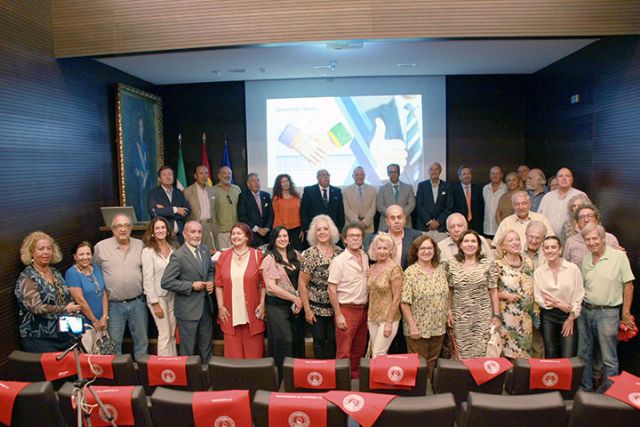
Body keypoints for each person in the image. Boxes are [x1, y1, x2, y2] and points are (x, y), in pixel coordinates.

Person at [578, 224, 634, 392]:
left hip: (608, 313)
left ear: (603, 239)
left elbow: (629, 285)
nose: (591, 242)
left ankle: (610, 394)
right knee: (583, 354)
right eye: (587, 239)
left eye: (595, 238)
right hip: (585, 311)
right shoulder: (586, 258)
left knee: (609, 358)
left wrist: (625, 314)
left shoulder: (619, 257)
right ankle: (585, 389)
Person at [15, 232, 81, 352]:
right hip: (40, 339)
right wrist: (65, 309)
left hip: (63, 335)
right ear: (31, 253)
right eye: (41, 249)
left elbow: (65, 298)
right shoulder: (27, 277)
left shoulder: (55, 272)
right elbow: (36, 307)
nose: (46, 252)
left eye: (49, 248)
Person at [94, 213, 148, 359]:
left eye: (126, 225)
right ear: (112, 229)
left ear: (131, 228)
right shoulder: (101, 247)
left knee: (142, 341)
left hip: (138, 303)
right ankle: (120, 377)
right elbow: (95, 273)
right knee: (114, 343)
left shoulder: (140, 245)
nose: (122, 229)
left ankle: (142, 375)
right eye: (118, 226)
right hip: (114, 306)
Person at [161, 220, 215, 362]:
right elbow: (166, 282)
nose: (197, 235)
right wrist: (190, 285)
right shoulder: (178, 256)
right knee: (188, 351)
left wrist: (211, 282)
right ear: (184, 235)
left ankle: (206, 380)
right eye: (193, 232)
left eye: (199, 232)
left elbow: (211, 270)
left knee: (206, 347)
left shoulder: (204, 250)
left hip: (205, 309)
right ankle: (189, 382)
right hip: (187, 311)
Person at [447, 230, 501, 359]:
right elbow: (449, 290)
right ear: (460, 245)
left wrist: (497, 315)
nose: (469, 244)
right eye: (466, 241)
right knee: (461, 354)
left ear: (478, 245)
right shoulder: (451, 264)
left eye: (473, 241)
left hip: (482, 317)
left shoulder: (488, 263)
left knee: (481, 353)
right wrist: (448, 311)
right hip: (460, 317)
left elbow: (493, 291)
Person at [215, 223, 266, 358]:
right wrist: (220, 307)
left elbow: (264, 284)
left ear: (247, 237)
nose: (235, 236)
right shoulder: (224, 256)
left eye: (239, 233)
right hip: (230, 313)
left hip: (253, 313)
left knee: (254, 356)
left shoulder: (257, 255)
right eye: (233, 234)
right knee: (233, 357)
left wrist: (262, 304)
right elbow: (218, 284)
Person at [401, 236, 448, 381]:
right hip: (418, 328)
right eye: (423, 248)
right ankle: (419, 393)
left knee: (432, 360)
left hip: (438, 326)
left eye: (429, 248)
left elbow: (448, 295)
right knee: (418, 364)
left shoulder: (441, 270)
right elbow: (404, 302)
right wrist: (412, 326)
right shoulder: (411, 272)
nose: (426, 251)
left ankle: (428, 388)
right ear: (416, 251)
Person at [260, 226, 305, 377]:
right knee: (285, 341)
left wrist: (300, 300)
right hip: (277, 307)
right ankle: (282, 377)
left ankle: (298, 377)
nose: (282, 239)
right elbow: (271, 287)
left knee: (298, 341)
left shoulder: (297, 255)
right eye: (279, 236)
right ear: (273, 239)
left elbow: (303, 279)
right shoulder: (269, 259)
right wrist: (295, 299)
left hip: (296, 306)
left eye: (285, 236)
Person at [328, 223, 369, 378]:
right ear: (345, 240)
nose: (355, 239)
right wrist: (338, 315)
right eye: (351, 236)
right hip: (346, 310)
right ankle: (341, 385)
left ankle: (356, 384)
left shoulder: (365, 257)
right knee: (344, 352)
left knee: (359, 350)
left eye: (358, 236)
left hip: (363, 310)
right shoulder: (339, 261)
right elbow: (331, 289)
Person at [299, 215, 343, 359]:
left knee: (333, 341)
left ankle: (332, 372)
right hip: (316, 309)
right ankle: (320, 374)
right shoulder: (309, 254)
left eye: (326, 229)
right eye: (319, 230)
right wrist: (307, 310)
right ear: (314, 233)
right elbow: (302, 284)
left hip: (336, 307)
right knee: (319, 341)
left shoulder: (340, 252)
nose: (322, 232)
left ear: (332, 232)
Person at [534, 236, 584, 358]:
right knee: (551, 355)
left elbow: (579, 294)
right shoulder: (539, 272)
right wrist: (559, 304)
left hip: (569, 316)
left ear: (560, 250)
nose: (550, 250)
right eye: (546, 247)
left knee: (568, 355)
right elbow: (539, 297)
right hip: (548, 317)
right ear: (543, 251)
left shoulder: (573, 269)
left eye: (553, 247)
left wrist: (571, 317)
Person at [495, 230, 536, 359]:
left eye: (517, 239)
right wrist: (505, 295)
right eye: (510, 240)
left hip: (525, 319)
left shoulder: (528, 262)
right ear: (503, 246)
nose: (515, 242)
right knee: (507, 357)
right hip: (507, 319)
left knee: (524, 358)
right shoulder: (498, 265)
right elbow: (490, 291)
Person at [142, 217, 179, 356]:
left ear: (167, 230)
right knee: (164, 334)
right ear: (152, 231)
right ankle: (163, 369)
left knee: (172, 333)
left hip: (173, 296)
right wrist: (155, 303)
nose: (160, 230)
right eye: (157, 228)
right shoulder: (148, 251)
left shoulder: (174, 248)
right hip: (158, 298)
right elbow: (148, 279)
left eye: (163, 227)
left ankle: (174, 365)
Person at [65, 241, 108, 353]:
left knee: (101, 355)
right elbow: (80, 300)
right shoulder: (71, 273)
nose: (85, 257)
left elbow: (103, 292)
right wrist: (94, 321)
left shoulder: (97, 269)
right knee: (86, 357)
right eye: (81, 254)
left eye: (88, 254)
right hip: (83, 323)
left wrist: (104, 317)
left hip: (100, 321)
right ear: (75, 256)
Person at [366, 233, 403, 357]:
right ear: (374, 249)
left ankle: (378, 377)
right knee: (374, 351)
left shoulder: (395, 269)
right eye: (379, 248)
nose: (382, 251)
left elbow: (397, 298)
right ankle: (376, 376)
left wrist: (389, 322)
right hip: (372, 317)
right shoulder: (372, 267)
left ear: (391, 250)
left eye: (385, 248)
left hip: (388, 319)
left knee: (378, 353)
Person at [147, 165, 191, 244]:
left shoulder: (178, 192)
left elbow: (188, 211)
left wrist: (165, 210)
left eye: (170, 174)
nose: (168, 177)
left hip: (180, 237)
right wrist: (176, 210)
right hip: (163, 237)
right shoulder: (154, 193)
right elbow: (154, 212)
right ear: (159, 179)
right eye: (164, 175)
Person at [537, 167, 586, 236]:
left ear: (572, 179)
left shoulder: (580, 196)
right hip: (549, 238)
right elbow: (540, 217)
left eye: (567, 176)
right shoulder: (547, 197)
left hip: (571, 238)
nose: (564, 178)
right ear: (557, 180)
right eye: (561, 176)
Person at [183, 165, 218, 252]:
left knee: (211, 254)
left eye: (206, 173)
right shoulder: (187, 191)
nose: (204, 176)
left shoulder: (212, 191)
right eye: (201, 173)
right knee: (196, 253)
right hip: (195, 227)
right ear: (195, 176)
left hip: (210, 227)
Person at [300, 169, 345, 236]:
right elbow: (303, 211)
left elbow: (340, 212)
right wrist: (306, 228)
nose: (326, 177)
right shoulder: (309, 191)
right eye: (323, 175)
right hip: (314, 229)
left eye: (327, 175)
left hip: (333, 230)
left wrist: (340, 229)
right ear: (317, 178)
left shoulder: (337, 191)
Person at [238, 172, 274, 247]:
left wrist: (267, 228)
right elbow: (242, 217)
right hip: (252, 235)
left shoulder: (266, 195)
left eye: (258, 180)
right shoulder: (243, 196)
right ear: (248, 184)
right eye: (253, 181)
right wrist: (257, 229)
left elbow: (271, 214)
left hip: (267, 235)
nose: (256, 183)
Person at [376, 163, 416, 231]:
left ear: (399, 173)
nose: (393, 174)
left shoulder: (408, 187)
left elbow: (412, 204)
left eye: (395, 172)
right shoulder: (382, 189)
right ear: (388, 174)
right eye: (391, 172)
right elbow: (379, 205)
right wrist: (392, 215)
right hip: (386, 224)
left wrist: (400, 215)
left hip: (405, 223)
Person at [415, 162, 452, 235]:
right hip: (424, 226)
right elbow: (419, 206)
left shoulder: (447, 186)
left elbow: (449, 207)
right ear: (428, 172)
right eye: (431, 169)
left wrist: (438, 222)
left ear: (440, 171)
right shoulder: (422, 186)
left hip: (441, 227)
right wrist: (429, 222)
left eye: (436, 169)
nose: (434, 172)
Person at [212, 166, 242, 249]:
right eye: (224, 173)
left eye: (229, 173)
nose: (227, 175)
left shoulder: (237, 189)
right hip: (221, 232)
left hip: (236, 230)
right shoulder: (213, 190)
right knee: (224, 256)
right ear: (219, 176)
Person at [272, 173, 304, 251]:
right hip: (283, 231)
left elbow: (301, 213)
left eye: (287, 181)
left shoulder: (297, 196)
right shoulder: (276, 199)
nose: (286, 183)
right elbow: (276, 216)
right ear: (279, 184)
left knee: (297, 253)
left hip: (297, 230)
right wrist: (278, 232)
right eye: (283, 182)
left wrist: (303, 229)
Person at [343, 166, 377, 234]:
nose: (359, 177)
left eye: (361, 174)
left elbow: (373, 208)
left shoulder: (372, 190)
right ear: (353, 176)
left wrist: (364, 223)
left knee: (367, 244)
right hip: (351, 226)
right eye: (357, 175)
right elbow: (347, 209)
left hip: (368, 227)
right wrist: (357, 223)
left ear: (364, 176)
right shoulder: (346, 191)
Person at [451, 165, 484, 233]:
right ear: (459, 177)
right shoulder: (453, 190)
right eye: (464, 174)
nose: (467, 176)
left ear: (471, 175)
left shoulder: (479, 189)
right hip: (460, 223)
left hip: (476, 224)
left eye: (468, 173)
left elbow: (481, 207)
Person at [133, 116, 152, 221]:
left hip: (146, 176)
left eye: (142, 127)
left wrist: (147, 174)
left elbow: (148, 162)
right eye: (138, 127)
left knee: (148, 200)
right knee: (139, 201)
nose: (140, 129)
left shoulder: (145, 144)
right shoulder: (134, 145)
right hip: (138, 177)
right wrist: (139, 174)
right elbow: (133, 164)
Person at [482, 165, 507, 237]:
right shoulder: (485, 188)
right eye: (493, 173)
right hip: (486, 228)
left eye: (497, 173)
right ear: (490, 175)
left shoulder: (506, 188)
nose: (495, 176)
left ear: (501, 175)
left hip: (500, 227)